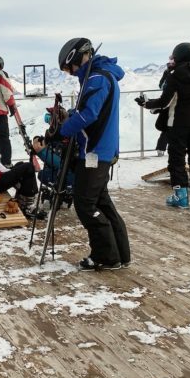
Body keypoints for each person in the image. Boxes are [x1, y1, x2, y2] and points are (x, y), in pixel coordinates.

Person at [57, 37, 130, 271]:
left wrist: (62, 131)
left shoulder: (97, 78)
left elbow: (89, 114)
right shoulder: (101, 76)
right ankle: (120, 254)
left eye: (70, 68)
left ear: (78, 58)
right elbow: (89, 111)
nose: (70, 73)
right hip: (102, 148)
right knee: (101, 201)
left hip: (95, 150)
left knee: (86, 203)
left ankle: (105, 256)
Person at [136, 43, 190, 208]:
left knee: (177, 160)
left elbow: (164, 102)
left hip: (179, 123)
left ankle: (181, 197)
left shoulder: (175, 75)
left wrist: (146, 104)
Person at [153, 56, 176, 156]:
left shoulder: (177, 72)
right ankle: (161, 148)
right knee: (168, 127)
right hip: (169, 103)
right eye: (170, 61)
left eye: (172, 61)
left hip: (174, 104)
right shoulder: (168, 72)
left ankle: (161, 149)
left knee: (170, 127)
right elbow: (161, 85)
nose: (171, 63)